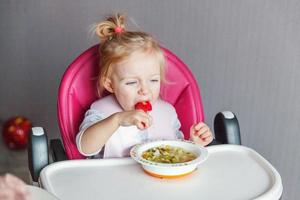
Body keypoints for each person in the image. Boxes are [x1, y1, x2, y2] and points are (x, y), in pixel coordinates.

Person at [76, 13, 213, 158]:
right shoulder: (101, 112)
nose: (144, 90)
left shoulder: (167, 112)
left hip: (160, 180)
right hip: (113, 179)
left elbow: (175, 155)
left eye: (153, 80)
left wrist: (194, 144)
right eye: (132, 82)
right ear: (110, 85)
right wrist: (117, 120)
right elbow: (85, 147)